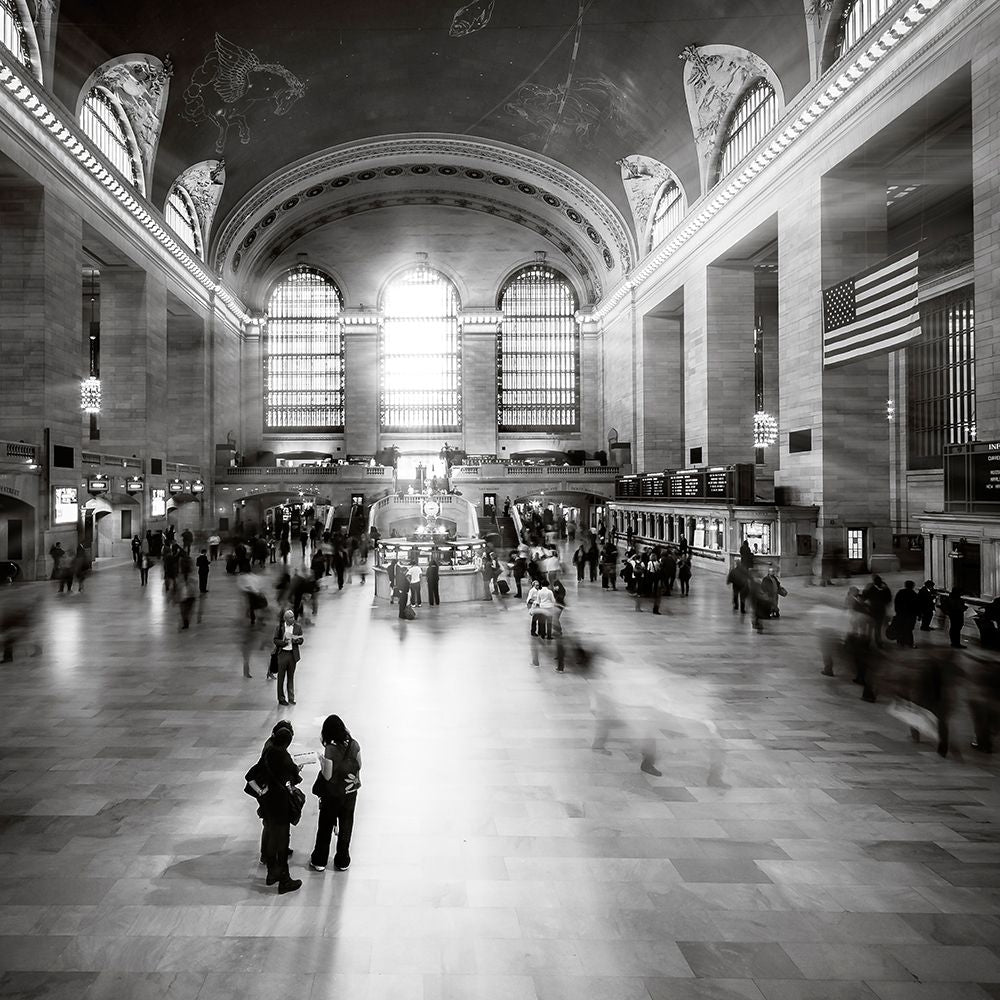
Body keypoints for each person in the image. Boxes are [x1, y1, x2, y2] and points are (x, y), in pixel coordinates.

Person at [309, 714, 362, 873]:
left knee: (325, 826)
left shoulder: (330, 749)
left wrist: (322, 761)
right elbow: (359, 764)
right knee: (346, 825)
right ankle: (342, 860)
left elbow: (328, 776)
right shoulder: (354, 744)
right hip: (350, 791)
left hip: (332, 795)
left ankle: (320, 860)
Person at [256, 725, 303, 893]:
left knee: (270, 836)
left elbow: (250, 777)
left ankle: (271, 874)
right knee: (282, 843)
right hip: (281, 804)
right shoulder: (284, 757)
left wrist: (261, 792)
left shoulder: (268, 753)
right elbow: (295, 778)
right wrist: (296, 770)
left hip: (267, 802)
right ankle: (285, 880)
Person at [272, 609, 304, 706]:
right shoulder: (280, 628)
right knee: (281, 677)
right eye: (290, 618)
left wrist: (296, 641)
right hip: (283, 654)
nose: (293, 619)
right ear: (285, 619)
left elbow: (301, 639)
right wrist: (284, 643)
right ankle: (281, 698)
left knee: (291, 677)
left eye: (293, 617)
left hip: (292, 655)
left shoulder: (298, 627)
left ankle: (291, 697)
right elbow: (275, 640)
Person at [861, 574, 893, 647]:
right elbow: (889, 599)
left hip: (872, 610)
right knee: (878, 627)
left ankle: (867, 642)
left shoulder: (870, 588)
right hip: (880, 610)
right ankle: (878, 642)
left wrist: (866, 606)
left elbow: (864, 597)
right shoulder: (885, 588)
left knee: (871, 627)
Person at [892, 580, 919, 648]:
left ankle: (900, 641)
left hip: (901, 614)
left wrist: (897, 611)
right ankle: (909, 643)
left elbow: (896, 602)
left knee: (901, 627)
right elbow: (916, 606)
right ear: (912, 586)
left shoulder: (901, 592)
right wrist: (918, 614)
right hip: (910, 615)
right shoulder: (914, 594)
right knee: (909, 629)